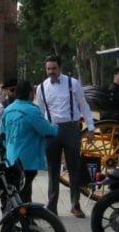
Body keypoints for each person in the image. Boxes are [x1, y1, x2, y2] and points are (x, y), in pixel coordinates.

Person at [35, 55, 96, 218]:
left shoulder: (72, 83)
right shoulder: (41, 87)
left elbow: (83, 105)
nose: (51, 72)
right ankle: (52, 206)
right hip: (51, 129)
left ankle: (75, 205)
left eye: (54, 68)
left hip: (71, 127)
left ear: (60, 68)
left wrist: (91, 127)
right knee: (53, 169)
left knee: (74, 167)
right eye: (48, 69)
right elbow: (41, 112)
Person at [0, 80, 58, 203]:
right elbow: (46, 130)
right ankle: (23, 216)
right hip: (27, 160)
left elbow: (2, 134)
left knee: (19, 189)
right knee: (24, 190)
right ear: (30, 93)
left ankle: (22, 214)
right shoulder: (32, 111)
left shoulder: (8, 110)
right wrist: (57, 127)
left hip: (11, 158)